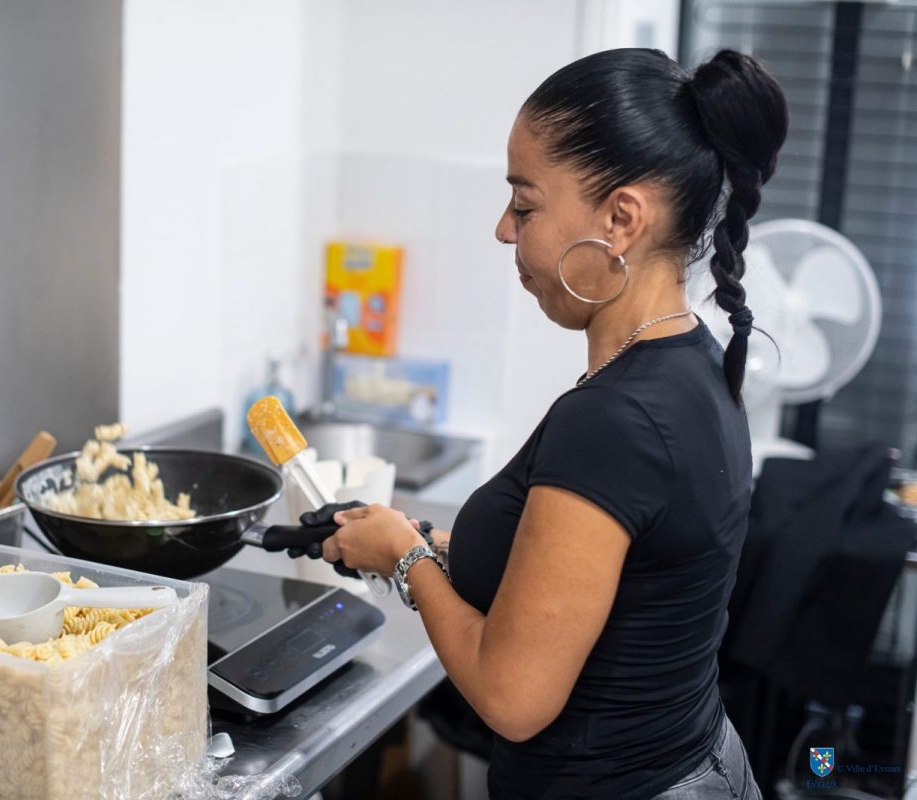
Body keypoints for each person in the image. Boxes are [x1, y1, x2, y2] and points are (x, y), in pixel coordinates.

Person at [303, 47, 787, 799]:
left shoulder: (615, 420)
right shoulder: (697, 364)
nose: (504, 230)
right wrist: (431, 542)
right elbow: (609, 579)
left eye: (524, 206)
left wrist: (405, 556)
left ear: (621, 220)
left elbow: (513, 697)